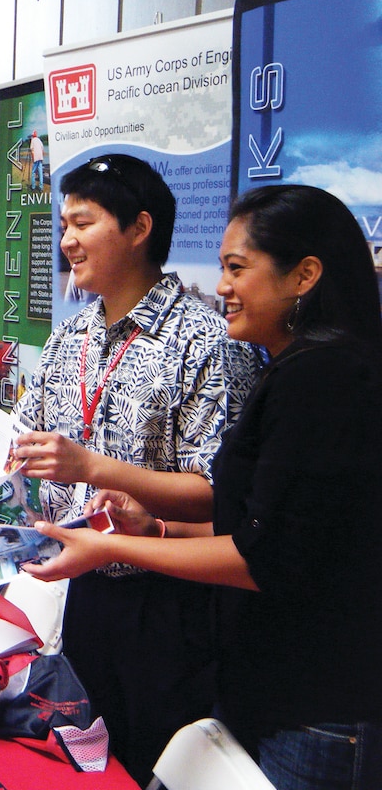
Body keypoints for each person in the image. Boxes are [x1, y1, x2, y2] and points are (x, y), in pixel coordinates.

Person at [28, 184, 382, 790]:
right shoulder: (298, 369)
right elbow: (263, 529)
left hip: (311, 703)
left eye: (237, 269)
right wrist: (155, 527)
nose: (221, 287)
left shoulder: (323, 376)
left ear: (305, 275)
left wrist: (114, 543)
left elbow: (262, 557)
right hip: (261, 685)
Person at [0, 154, 259, 783]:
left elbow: (215, 496)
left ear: (139, 229)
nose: (68, 240)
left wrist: (94, 466)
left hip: (169, 599)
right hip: (84, 588)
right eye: (64, 223)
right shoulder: (69, 337)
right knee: (85, 759)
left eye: (84, 222)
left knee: (147, 759)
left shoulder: (206, 341)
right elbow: (20, 438)